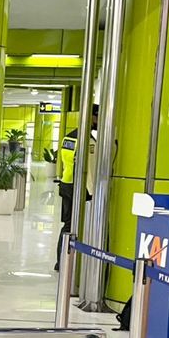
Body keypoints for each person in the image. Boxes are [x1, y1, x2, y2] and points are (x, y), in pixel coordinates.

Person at [56, 105, 98, 270]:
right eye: (97, 117)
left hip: (66, 184)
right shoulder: (86, 141)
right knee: (73, 225)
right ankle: (66, 262)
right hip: (78, 187)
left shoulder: (69, 137)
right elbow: (86, 169)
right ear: (92, 117)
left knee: (67, 225)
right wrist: (93, 192)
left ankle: (61, 261)